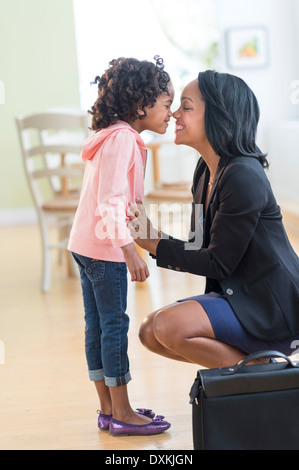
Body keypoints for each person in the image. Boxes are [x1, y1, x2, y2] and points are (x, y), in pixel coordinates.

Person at [128, 70, 299, 370]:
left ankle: (267, 374)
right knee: (149, 332)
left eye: (186, 107)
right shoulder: (203, 171)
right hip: (239, 297)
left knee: (167, 326)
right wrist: (151, 237)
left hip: (272, 308)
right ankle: (260, 370)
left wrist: (153, 241)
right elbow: (199, 247)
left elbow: (219, 263)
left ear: (218, 116)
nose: (175, 114)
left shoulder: (243, 175)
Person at [68, 56, 173, 436]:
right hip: (105, 249)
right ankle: (124, 413)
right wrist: (129, 249)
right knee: (113, 325)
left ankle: (109, 409)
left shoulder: (110, 136)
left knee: (97, 325)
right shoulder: (123, 140)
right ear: (141, 106)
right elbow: (111, 201)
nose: (171, 112)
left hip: (86, 245)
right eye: (166, 104)